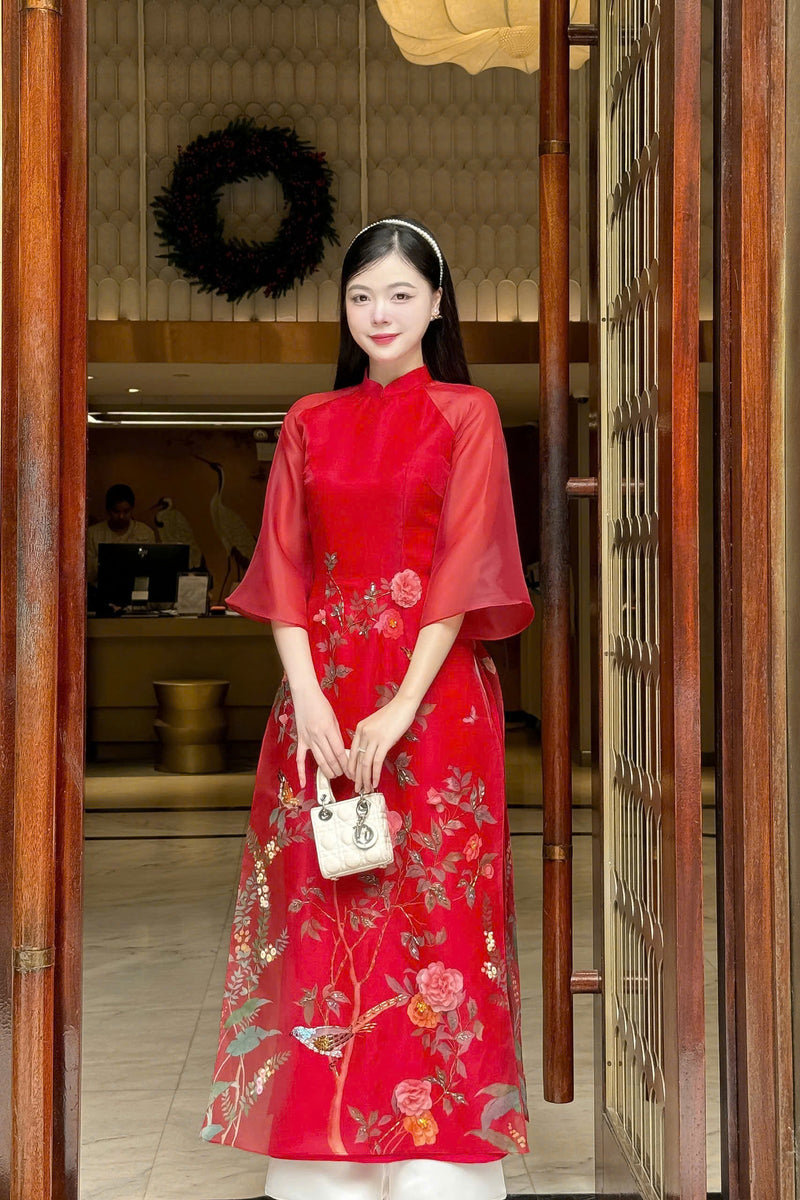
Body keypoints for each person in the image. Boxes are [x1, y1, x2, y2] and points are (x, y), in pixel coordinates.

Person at [201, 218, 535, 1200]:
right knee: (328, 906)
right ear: (344, 312)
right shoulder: (310, 419)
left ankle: (433, 1137)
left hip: (432, 705)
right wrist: (308, 701)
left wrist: (397, 708)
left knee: (433, 910)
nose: (379, 313)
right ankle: (327, 1127)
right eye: (360, 297)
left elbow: (464, 566)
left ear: (436, 303)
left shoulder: (465, 413)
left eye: (398, 294)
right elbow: (285, 570)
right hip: (320, 701)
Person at [86, 483, 155, 587]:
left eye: (126, 511)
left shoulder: (145, 533)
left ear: (132, 509)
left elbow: (151, 570)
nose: (121, 516)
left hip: (135, 589)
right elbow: (87, 575)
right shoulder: (92, 534)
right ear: (108, 510)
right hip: (101, 592)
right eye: (116, 512)